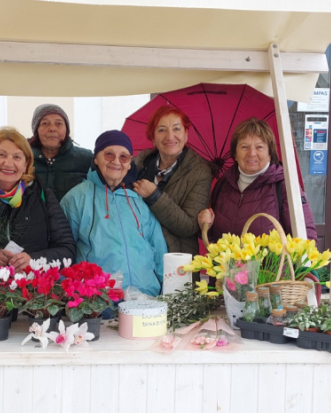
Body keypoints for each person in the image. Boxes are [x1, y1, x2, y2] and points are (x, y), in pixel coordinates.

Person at [61, 130, 168, 297]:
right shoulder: (76, 198)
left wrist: (166, 288)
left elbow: (158, 247)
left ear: (129, 163)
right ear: (96, 158)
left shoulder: (138, 199)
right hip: (97, 302)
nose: (116, 161)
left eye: (124, 157)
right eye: (109, 154)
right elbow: (63, 250)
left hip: (145, 298)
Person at [0, 127, 76, 272]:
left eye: (17, 157)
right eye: (2, 155)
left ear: (26, 164)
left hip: (32, 291)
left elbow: (68, 250)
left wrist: (34, 260)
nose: (9, 163)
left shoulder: (43, 196)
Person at [198, 117, 317, 242]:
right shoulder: (223, 184)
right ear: (235, 154)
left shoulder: (284, 187)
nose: (252, 153)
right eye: (244, 147)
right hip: (227, 262)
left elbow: (306, 239)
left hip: (271, 262)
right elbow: (214, 240)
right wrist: (206, 226)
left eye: (259, 147)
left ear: (270, 153)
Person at [133, 106, 212, 255]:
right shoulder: (139, 164)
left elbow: (189, 226)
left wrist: (154, 196)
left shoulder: (200, 171)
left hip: (177, 260)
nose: (170, 136)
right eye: (162, 130)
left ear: (186, 135)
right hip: (140, 255)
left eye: (176, 129)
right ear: (153, 137)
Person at [29, 104, 93, 201]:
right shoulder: (23, 158)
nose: (52, 128)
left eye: (58, 123)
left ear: (66, 130)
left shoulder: (86, 159)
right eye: (45, 123)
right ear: (36, 130)